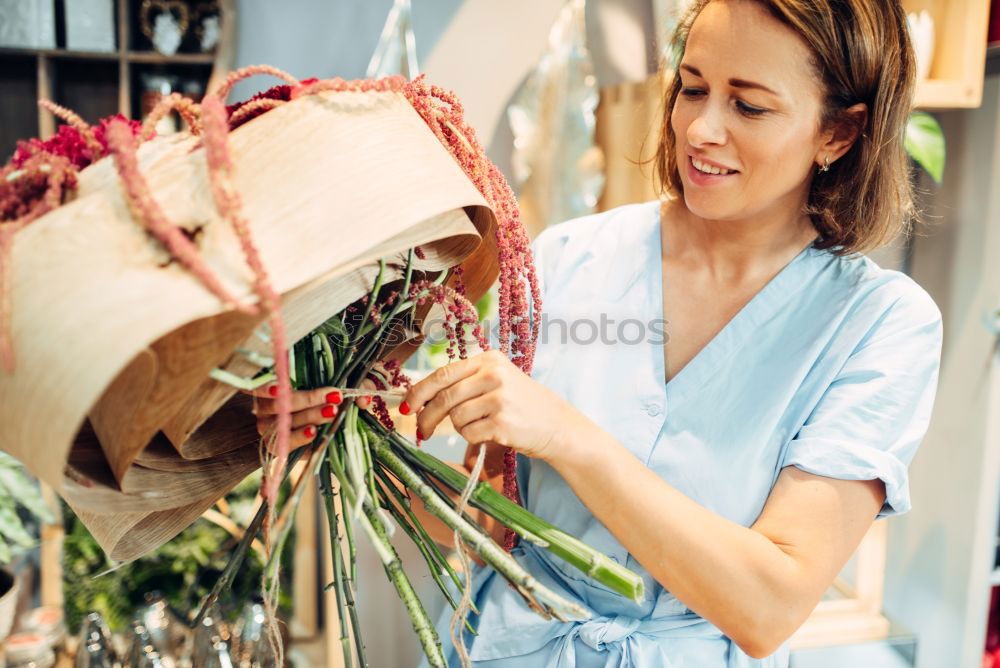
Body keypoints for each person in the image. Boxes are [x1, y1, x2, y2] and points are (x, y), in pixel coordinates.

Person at [251, 0, 944, 664]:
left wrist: (568, 436)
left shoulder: (880, 327)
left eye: (749, 105)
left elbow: (767, 607)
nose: (700, 128)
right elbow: (490, 525)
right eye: (693, 88)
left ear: (839, 132)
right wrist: (367, 441)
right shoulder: (566, 260)